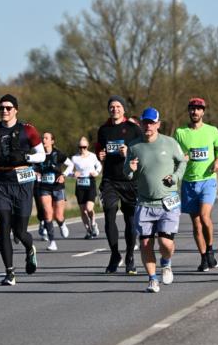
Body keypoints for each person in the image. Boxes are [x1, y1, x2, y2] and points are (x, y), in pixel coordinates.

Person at [124, 107, 187, 292]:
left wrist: (175, 177)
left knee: (165, 243)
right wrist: (130, 169)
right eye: (145, 122)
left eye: (152, 123)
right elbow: (127, 174)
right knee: (145, 243)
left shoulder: (170, 143)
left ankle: (166, 263)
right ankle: (152, 279)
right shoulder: (134, 146)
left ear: (158, 124)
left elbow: (182, 161)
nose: (148, 126)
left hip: (168, 201)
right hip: (144, 202)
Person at [0, 94, 43, 285]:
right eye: (1, 107)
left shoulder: (28, 130)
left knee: (20, 231)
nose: (4, 111)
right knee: (4, 228)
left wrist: (25, 157)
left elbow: (41, 155)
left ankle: (30, 247)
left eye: (8, 107)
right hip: (0, 182)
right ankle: (9, 272)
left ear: (16, 109)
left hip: (23, 181)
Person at [174, 97, 218, 272]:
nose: (195, 111)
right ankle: (203, 257)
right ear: (189, 111)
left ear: (203, 111)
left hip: (207, 180)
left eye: (198, 109)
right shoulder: (180, 132)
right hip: (189, 182)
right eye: (192, 109)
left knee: (204, 217)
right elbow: (176, 154)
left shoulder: (212, 131)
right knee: (196, 224)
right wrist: (182, 158)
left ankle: (210, 249)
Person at [96, 96, 143, 274]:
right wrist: (100, 156)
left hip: (129, 180)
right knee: (109, 212)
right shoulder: (104, 129)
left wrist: (129, 153)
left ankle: (130, 256)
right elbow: (99, 149)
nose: (114, 109)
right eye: (112, 106)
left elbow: (142, 153)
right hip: (110, 179)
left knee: (130, 220)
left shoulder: (133, 129)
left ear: (123, 109)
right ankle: (115, 254)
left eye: (118, 106)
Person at [35, 132, 72, 251]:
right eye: (43, 138)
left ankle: (61, 224)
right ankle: (52, 242)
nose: (44, 140)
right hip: (44, 187)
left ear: (52, 141)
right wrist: (36, 173)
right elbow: (33, 168)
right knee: (47, 213)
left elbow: (70, 165)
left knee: (58, 215)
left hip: (57, 187)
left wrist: (64, 175)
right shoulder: (39, 155)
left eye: (46, 138)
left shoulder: (58, 154)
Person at [65, 138, 102, 238]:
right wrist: (73, 174)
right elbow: (67, 171)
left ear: (87, 146)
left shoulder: (93, 156)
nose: (82, 149)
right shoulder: (74, 158)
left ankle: (94, 224)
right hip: (80, 185)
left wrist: (96, 172)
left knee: (89, 208)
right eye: (80, 147)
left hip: (90, 183)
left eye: (84, 147)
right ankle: (88, 230)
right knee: (83, 211)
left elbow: (99, 166)